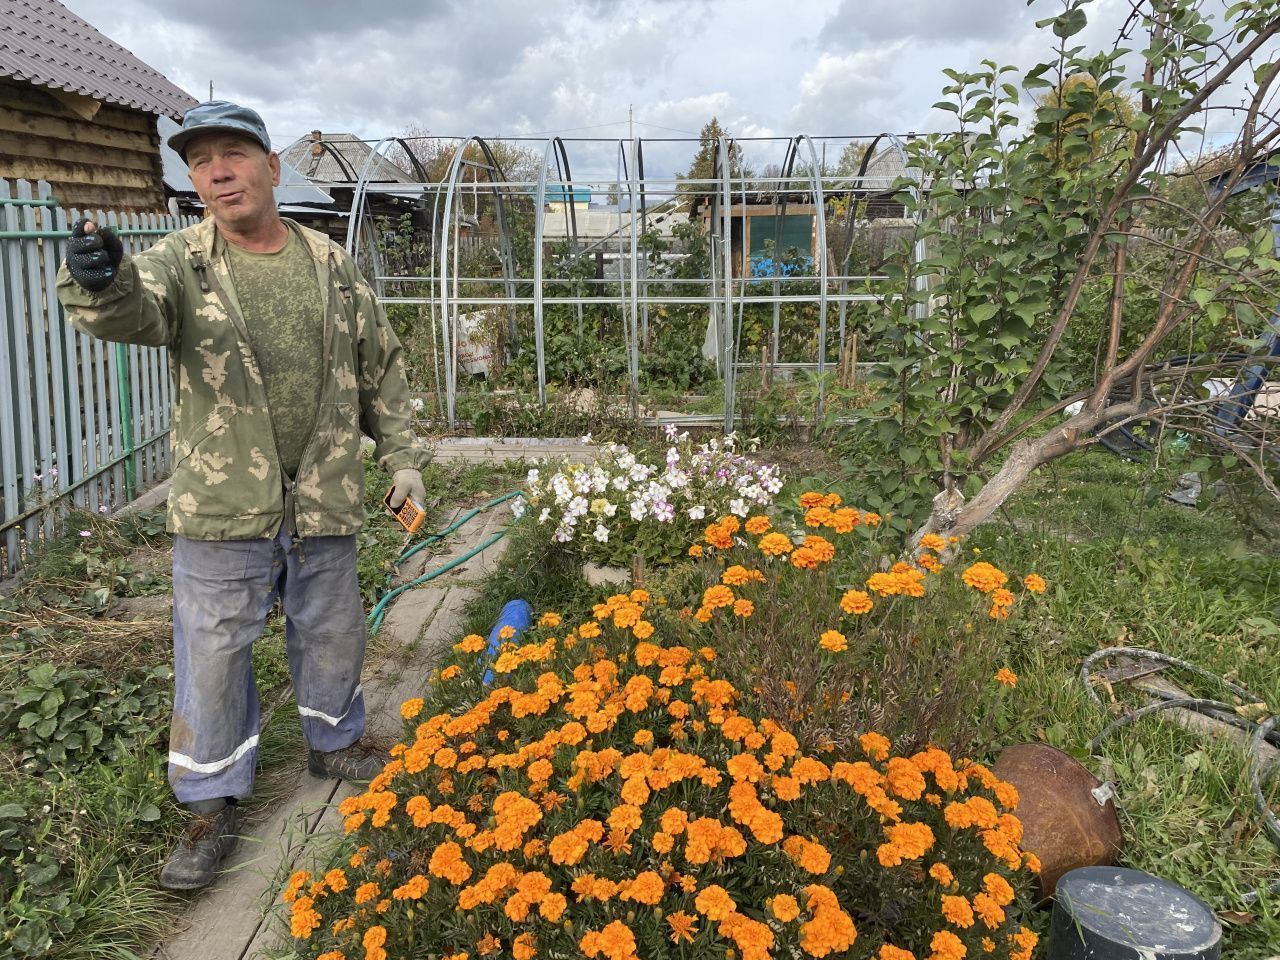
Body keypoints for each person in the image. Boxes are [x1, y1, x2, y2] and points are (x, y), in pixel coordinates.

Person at [56, 101, 429, 890]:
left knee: (331, 632)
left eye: (233, 154)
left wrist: (402, 457)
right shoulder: (178, 263)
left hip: (323, 496)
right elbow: (131, 312)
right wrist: (101, 278)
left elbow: (380, 367)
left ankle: (335, 741)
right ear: (194, 181)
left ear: (271, 166)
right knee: (216, 656)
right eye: (200, 162)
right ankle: (209, 800)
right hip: (225, 508)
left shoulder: (330, 263)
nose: (218, 171)